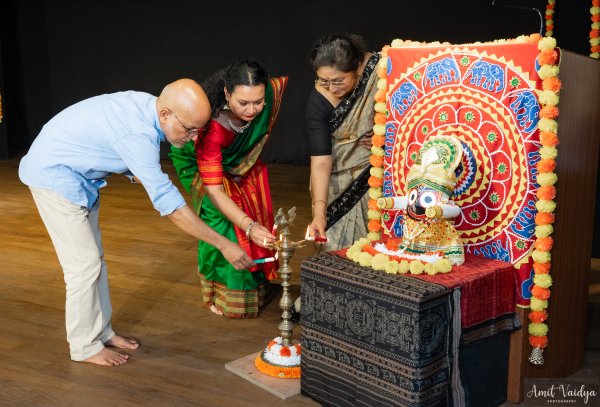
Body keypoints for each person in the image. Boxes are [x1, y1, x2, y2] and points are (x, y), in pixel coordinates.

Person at [18, 79, 254, 367]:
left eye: (198, 131)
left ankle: (101, 332)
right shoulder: (137, 135)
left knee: (96, 261)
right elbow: (171, 207)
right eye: (189, 129)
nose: (193, 138)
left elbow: (138, 164)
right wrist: (223, 244)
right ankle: (83, 346)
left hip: (79, 175)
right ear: (166, 114)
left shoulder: (150, 108)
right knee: (83, 267)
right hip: (53, 176)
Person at [170, 61, 287, 318]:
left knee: (254, 205)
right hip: (197, 162)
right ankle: (218, 292)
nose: (252, 110)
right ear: (226, 93)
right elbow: (213, 189)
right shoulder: (211, 130)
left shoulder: (267, 92)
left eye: (257, 102)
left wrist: (251, 222)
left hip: (239, 162)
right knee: (219, 221)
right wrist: (248, 226)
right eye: (243, 103)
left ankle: (258, 280)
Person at [305, 32, 381, 251]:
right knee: (335, 249)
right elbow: (320, 162)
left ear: (358, 67)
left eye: (339, 81)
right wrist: (319, 215)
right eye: (323, 81)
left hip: (376, 179)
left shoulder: (382, 72)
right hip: (337, 185)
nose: (331, 88)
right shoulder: (318, 101)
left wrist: (387, 137)